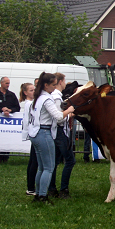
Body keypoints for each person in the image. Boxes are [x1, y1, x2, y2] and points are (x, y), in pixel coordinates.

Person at [28, 72, 75, 204]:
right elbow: (59, 117)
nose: (55, 87)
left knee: (42, 167)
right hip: (44, 132)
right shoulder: (47, 99)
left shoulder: (37, 98)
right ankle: (43, 196)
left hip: (36, 133)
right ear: (46, 85)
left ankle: (38, 194)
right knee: (49, 167)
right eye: (53, 85)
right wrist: (69, 110)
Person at [48, 73, 76, 199]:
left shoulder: (53, 96)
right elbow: (59, 118)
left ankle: (52, 188)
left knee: (54, 161)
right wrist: (70, 114)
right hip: (60, 131)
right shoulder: (57, 97)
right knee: (70, 160)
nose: (65, 83)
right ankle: (63, 189)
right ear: (60, 82)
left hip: (56, 131)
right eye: (65, 81)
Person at [0, 76, 20, 163]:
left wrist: (10, 110)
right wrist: (1, 109)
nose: (8, 85)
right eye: (6, 83)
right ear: (1, 83)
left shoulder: (11, 95)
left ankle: (6, 158)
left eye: (9, 83)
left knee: (7, 138)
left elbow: (17, 107)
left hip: (9, 122)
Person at [19, 83, 37, 195]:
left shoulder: (30, 103)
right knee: (34, 162)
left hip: (32, 133)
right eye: (31, 90)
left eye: (34, 89)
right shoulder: (30, 104)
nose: (34, 91)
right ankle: (30, 187)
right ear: (25, 92)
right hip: (34, 133)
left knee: (32, 161)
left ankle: (30, 187)